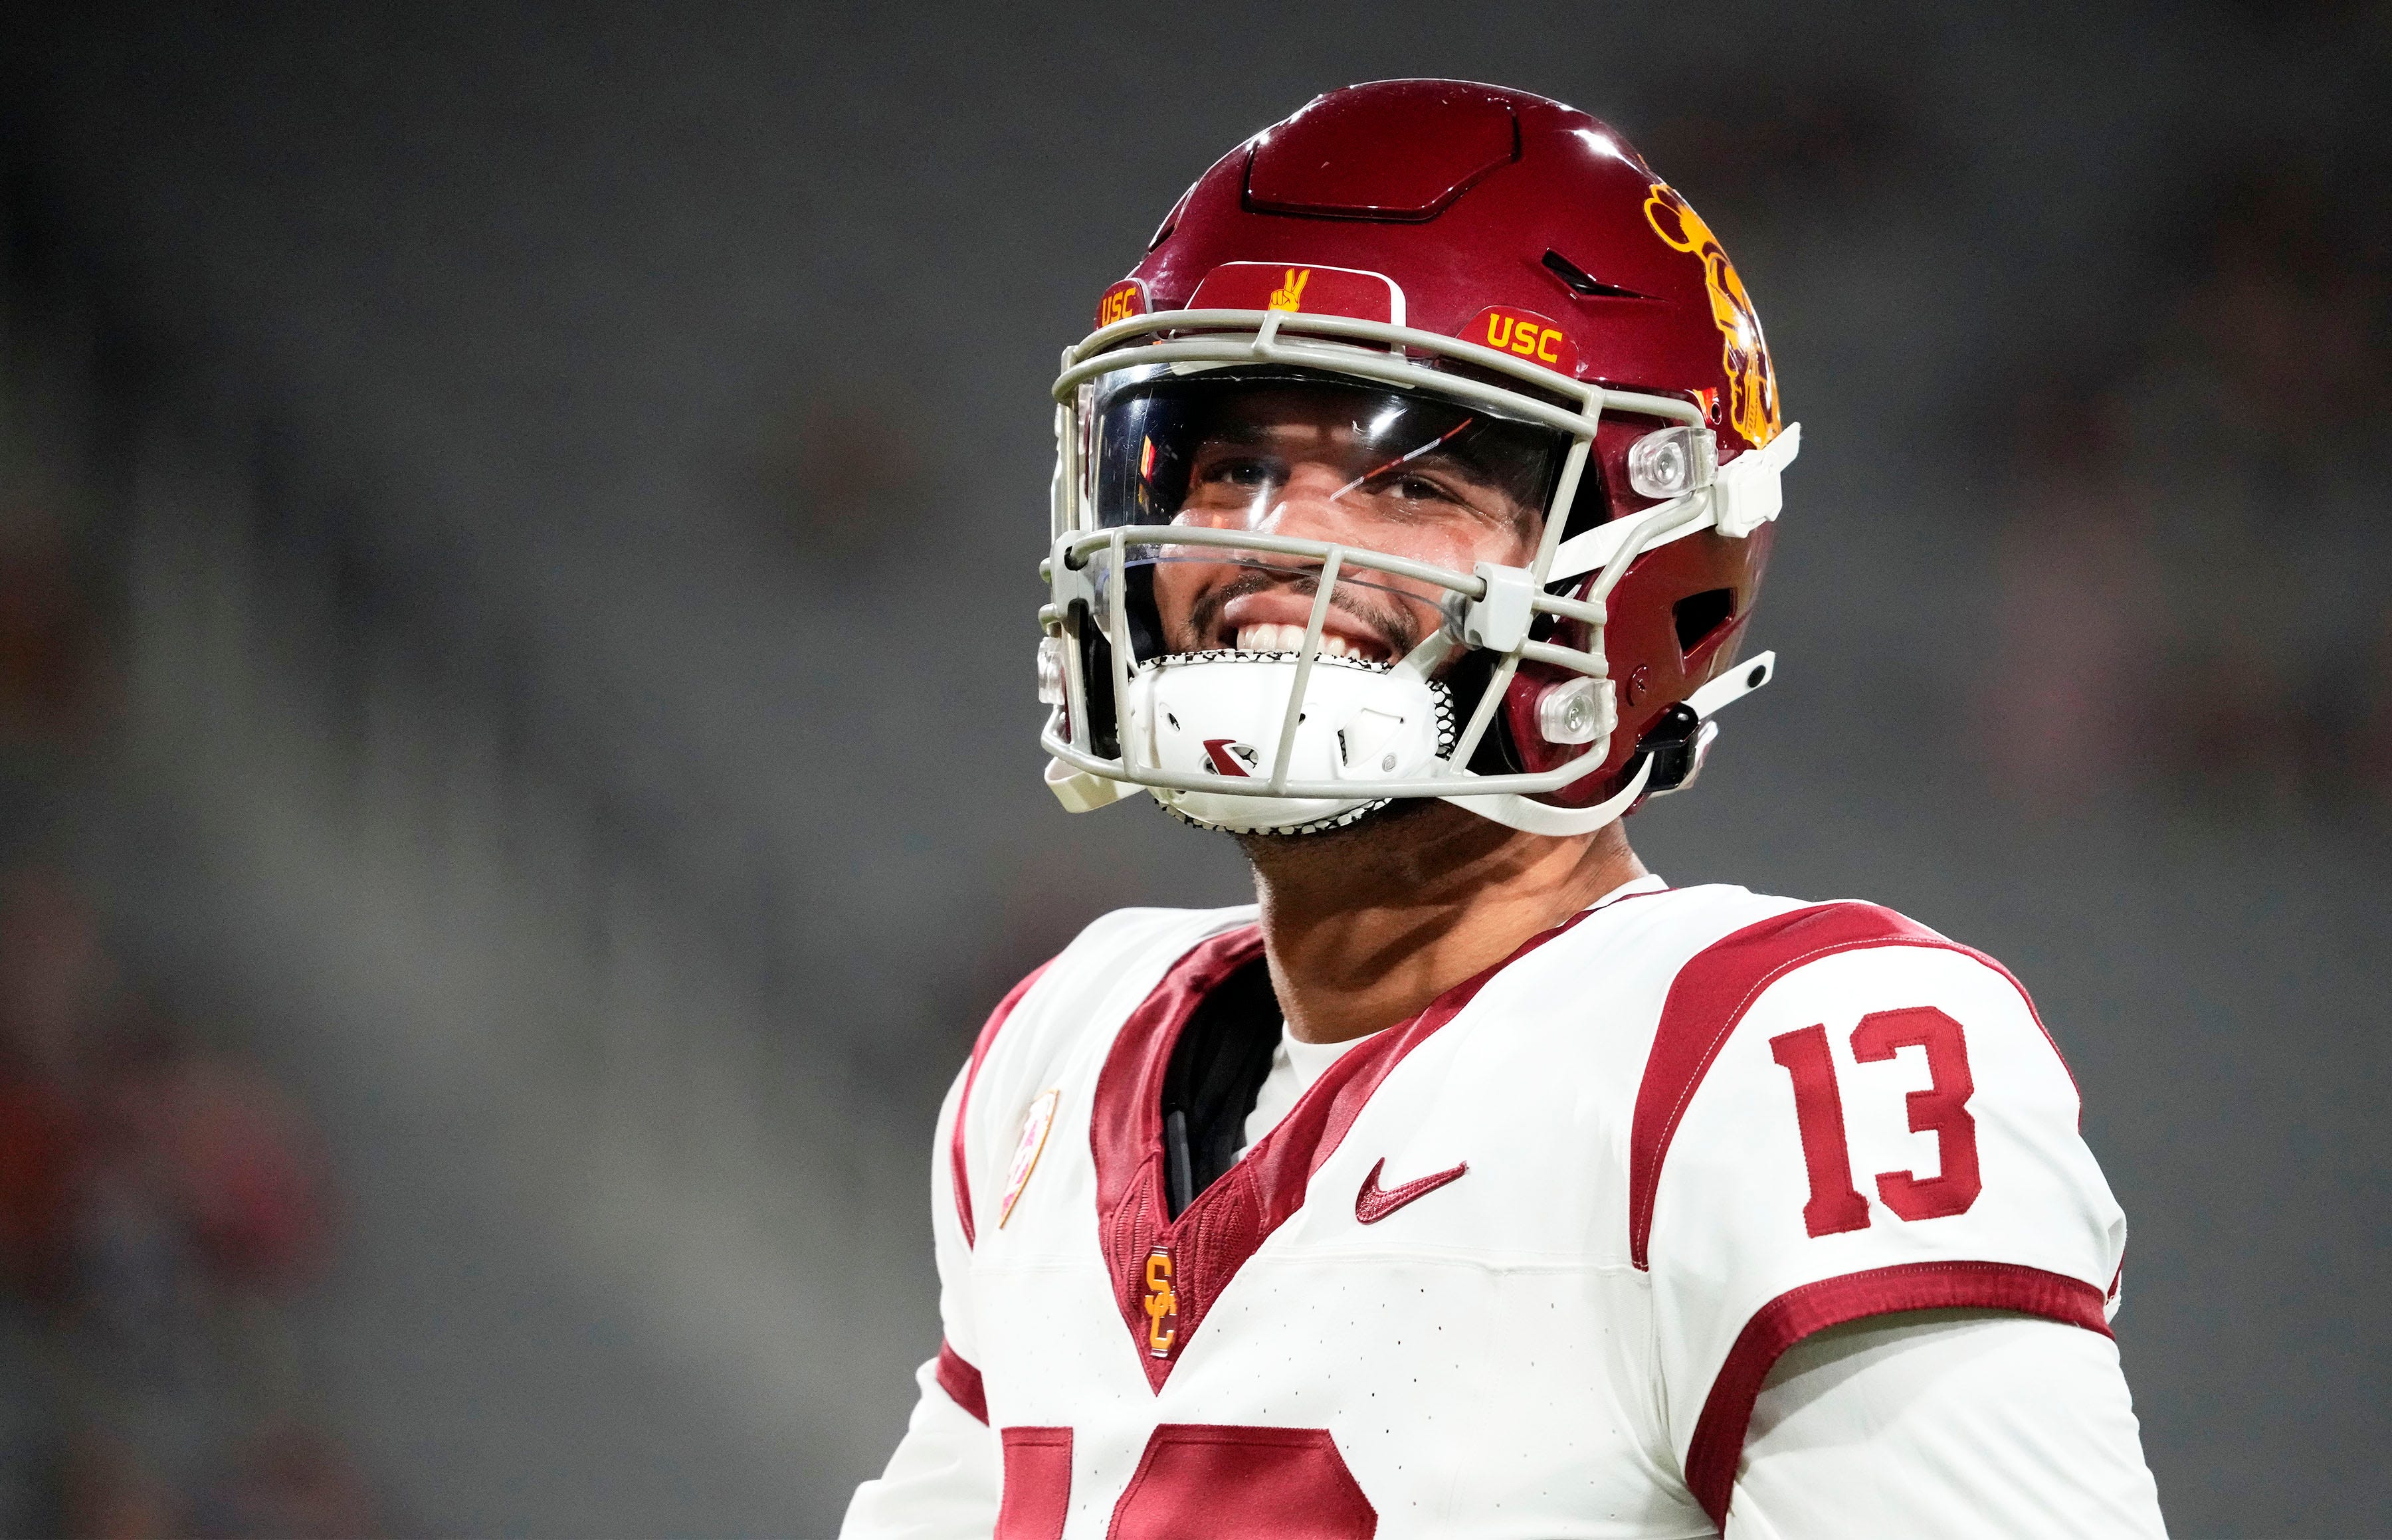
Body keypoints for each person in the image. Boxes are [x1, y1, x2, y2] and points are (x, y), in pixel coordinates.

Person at [845, 80, 2164, 1538]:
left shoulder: (1776, 1064)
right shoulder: (1064, 1042)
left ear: (1649, 564)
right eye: (1233, 466)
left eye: (1410, 487)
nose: (1281, 546)